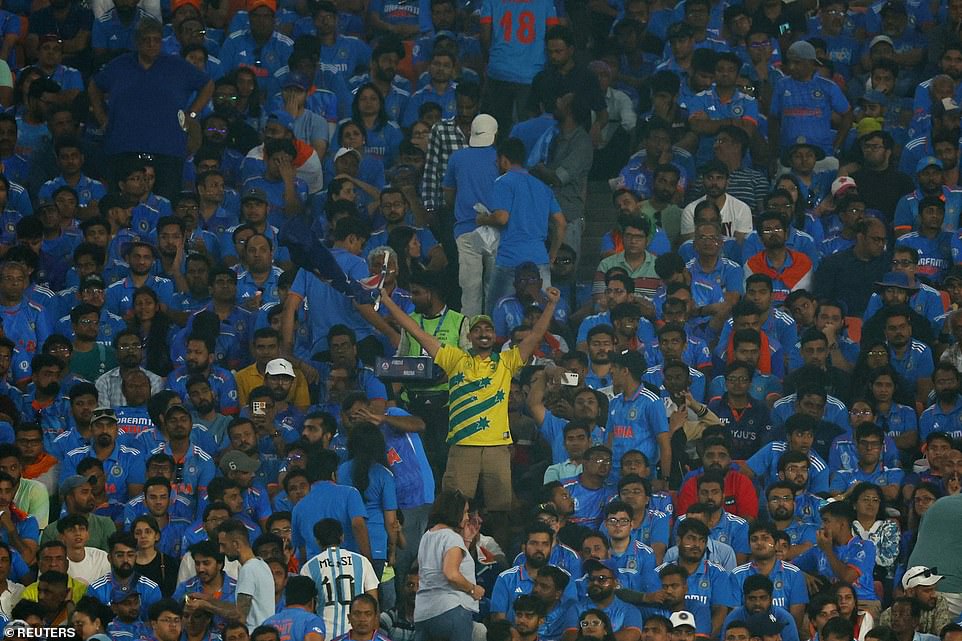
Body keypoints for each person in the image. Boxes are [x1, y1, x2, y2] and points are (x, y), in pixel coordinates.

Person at [413, 491, 482, 641]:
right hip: (452, 611)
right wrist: (472, 589)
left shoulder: (427, 536)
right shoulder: (452, 537)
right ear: (453, 511)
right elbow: (451, 573)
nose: (466, 517)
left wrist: (467, 541)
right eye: (464, 512)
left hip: (423, 614)